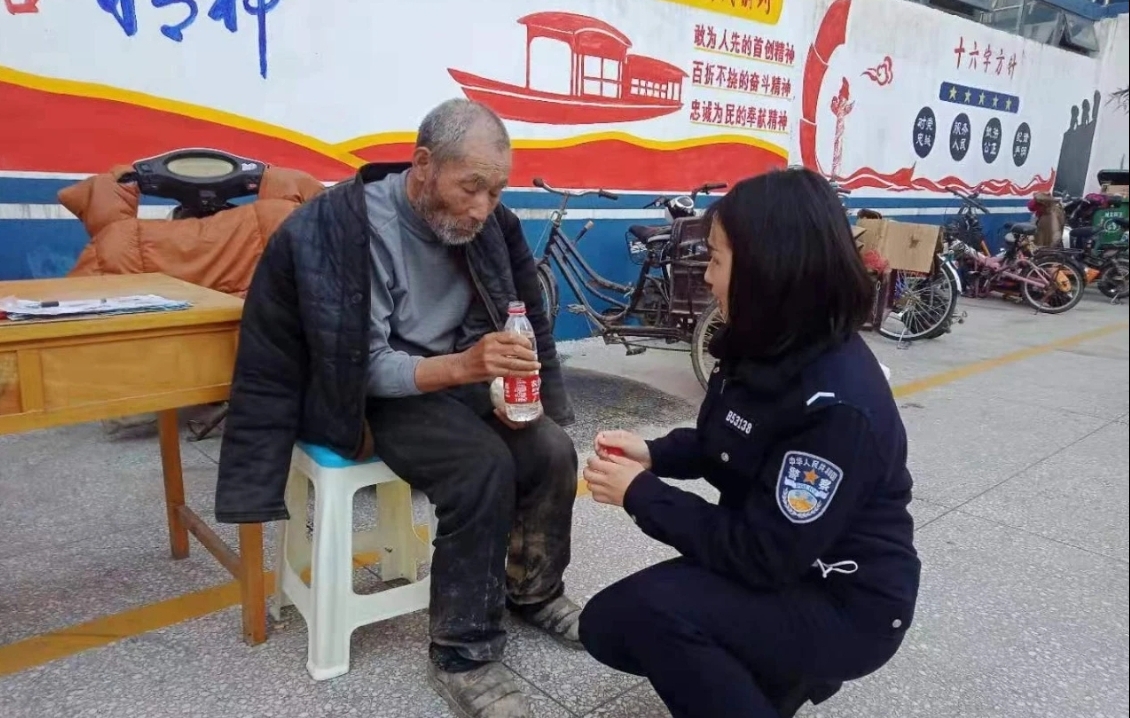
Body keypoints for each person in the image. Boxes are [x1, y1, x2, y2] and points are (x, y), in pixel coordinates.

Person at [215, 99, 583, 718]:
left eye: (496, 191)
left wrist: (523, 388)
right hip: (368, 397)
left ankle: (533, 591)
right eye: (471, 187)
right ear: (423, 165)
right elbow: (352, 364)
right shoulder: (337, 231)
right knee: (479, 466)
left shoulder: (493, 224)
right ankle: (463, 652)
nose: (482, 208)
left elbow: (527, 315)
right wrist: (464, 366)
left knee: (550, 450)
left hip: (457, 376)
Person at [577, 167, 921, 718]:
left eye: (716, 260)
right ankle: (777, 676)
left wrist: (641, 494)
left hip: (845, 601)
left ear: (768, 267)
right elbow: (729, 438)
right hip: (789, 563)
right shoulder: (766, 342)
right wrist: (655, 454)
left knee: (643, 616)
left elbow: (760, 555)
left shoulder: (836, 405)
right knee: (610, 624)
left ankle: (792, 667)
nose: (707, 277)